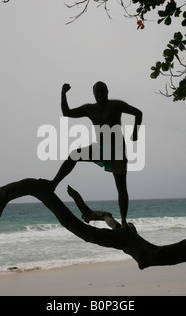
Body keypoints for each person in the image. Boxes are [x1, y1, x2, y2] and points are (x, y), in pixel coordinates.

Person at [48, 81, 142, 228]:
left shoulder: (116, 105)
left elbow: (138, 113)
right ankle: (53, 184)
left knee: (121, 187)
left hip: (117, 150)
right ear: (93, 94)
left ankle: (123, 221)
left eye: (102, 91)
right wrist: (63, 94)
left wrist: (135, 132)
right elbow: (67, 113)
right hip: (101, 148)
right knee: (74, 154)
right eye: (97, 92)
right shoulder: (90, 109)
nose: (99, 94)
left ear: (107, 91)